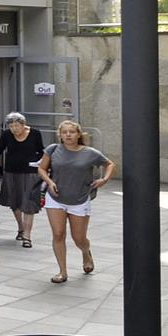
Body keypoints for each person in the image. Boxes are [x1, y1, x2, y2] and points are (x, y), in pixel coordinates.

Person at [36, 118, 115, 284]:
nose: (68, 135)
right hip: (56, 198)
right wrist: (50, 182)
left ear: (78, 134)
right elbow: (41, 169)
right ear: (60, 135)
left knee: (78, 238)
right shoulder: (52, 149)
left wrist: (104, 179)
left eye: (71, 132)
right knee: (58, 234)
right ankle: (62, 272)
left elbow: (109, 164)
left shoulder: (90, 153)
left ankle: (86, 253)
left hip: (79, 199)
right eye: (64, 132)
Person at [0, 111, 45, 247]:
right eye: (11, 126)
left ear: (24, 125)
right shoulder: (7, 135)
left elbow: (42, 151)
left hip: (30, 173)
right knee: (15, 203)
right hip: (11, 172)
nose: (14, 129)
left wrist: (43, 165)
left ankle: (27, 237)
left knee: (29, 205)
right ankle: (21, 228)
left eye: (16, 126)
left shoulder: (35, 133)